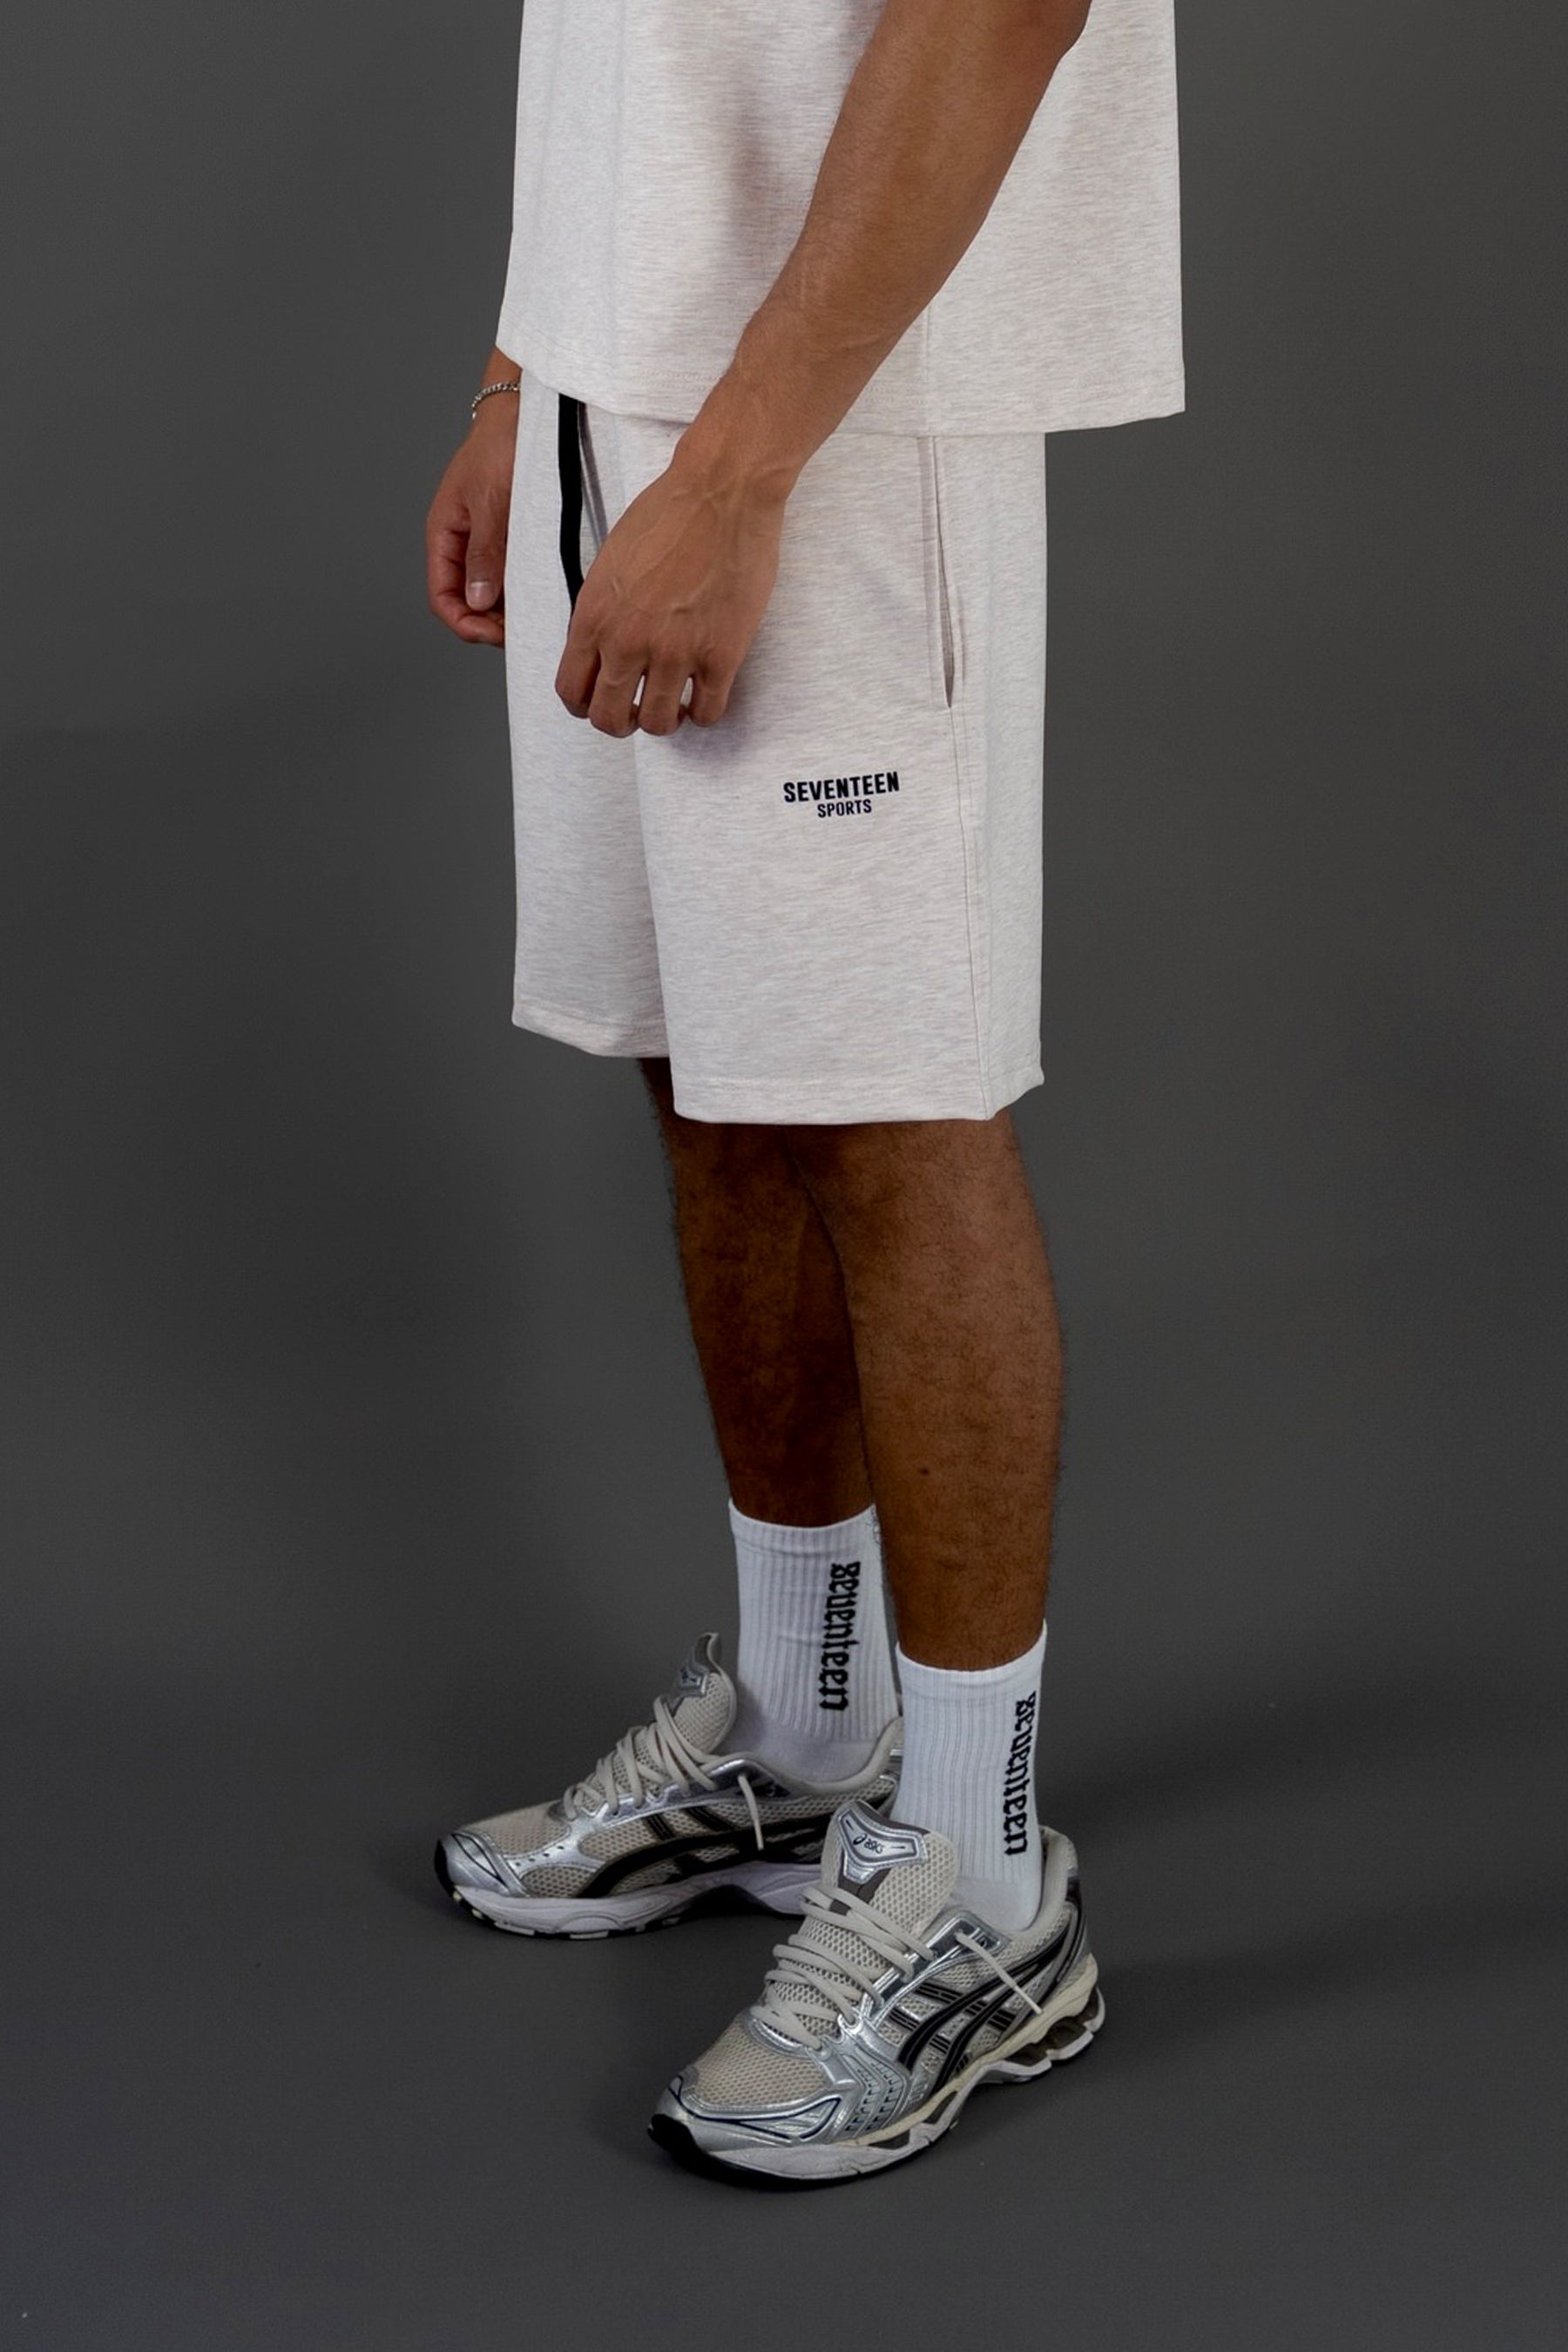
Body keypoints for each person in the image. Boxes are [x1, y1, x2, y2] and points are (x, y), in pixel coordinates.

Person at [423, 0, 1183, 2183]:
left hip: (830, 425)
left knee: (885, 1098)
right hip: (619, 388)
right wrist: (522, 375)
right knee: (716, 1069)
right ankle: (804, 1724)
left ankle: (979, 1871)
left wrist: (740, 474)